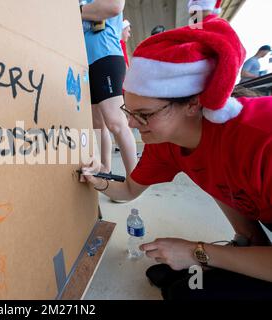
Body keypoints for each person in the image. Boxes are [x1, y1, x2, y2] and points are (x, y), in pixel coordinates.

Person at [80, 13, 272, 299]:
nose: (131, 125)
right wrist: (98, 179)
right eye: (129, 111)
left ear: (193, 103)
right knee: (176, 284)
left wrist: (199, 252)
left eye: (144, 115)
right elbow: (130, 189)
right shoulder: (165, 139)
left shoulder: (261, 139)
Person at [80, 0, 137, 177]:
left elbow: (114, 6)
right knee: (98, 124)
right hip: (87, 62)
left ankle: (135, 178)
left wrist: (77, 11)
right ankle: (105, 167)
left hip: (106, 56)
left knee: (115, 121)